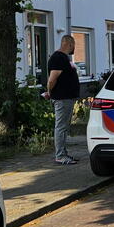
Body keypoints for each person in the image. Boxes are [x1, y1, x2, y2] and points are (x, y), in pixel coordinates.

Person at [44, 35, 80, 165]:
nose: (74, 48)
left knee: (63, 127)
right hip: (62, 99)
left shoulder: (63, 58)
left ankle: (64, 153)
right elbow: (52, 79)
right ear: (69, 44)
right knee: (60, 127)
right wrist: (49, 92)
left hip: (66, 98)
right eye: (74, 45)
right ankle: (60, 156)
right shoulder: (58, 58)